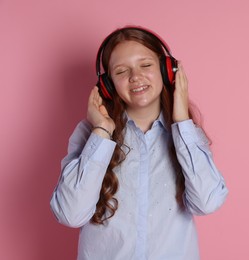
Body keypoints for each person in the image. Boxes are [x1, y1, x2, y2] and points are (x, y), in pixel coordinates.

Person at [50, 26, 228, 260]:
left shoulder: (187, 134)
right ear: (108, 84)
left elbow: (207, 202)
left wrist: (182, 121)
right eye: (121, 71)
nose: (135, 77)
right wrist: (102, 131)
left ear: (167, 71)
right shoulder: (90, 134)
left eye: (145, 65)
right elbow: (70, 214)